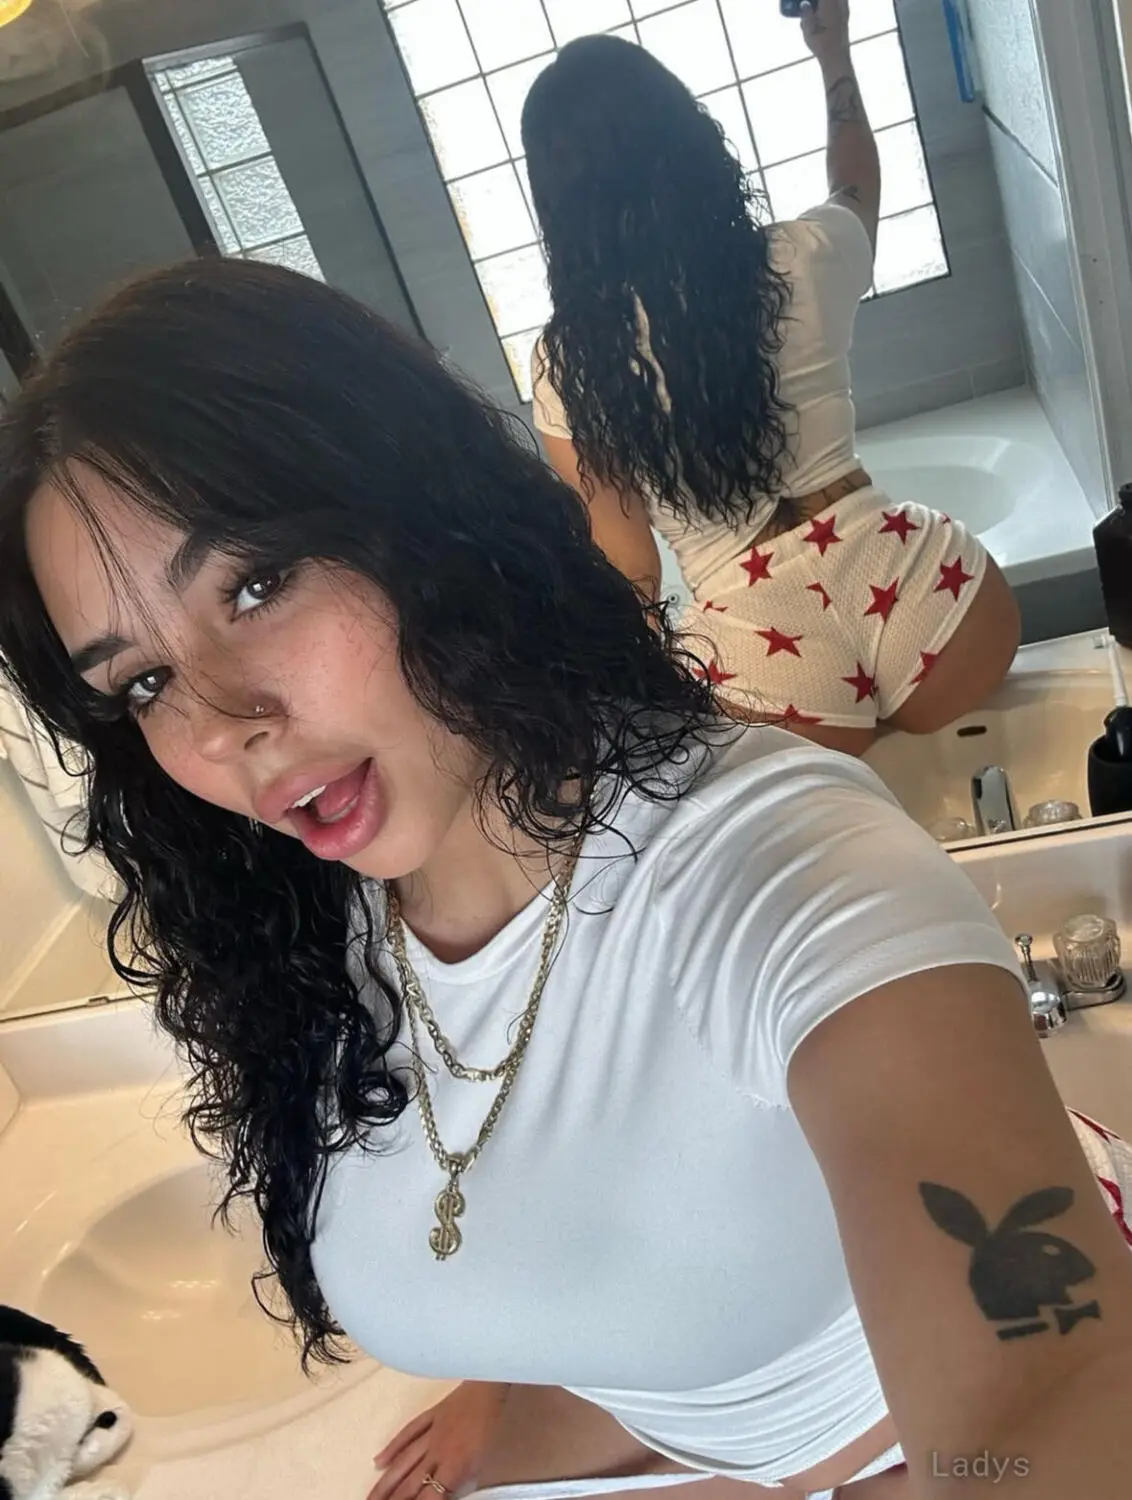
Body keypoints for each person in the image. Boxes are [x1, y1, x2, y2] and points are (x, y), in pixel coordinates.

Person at [1, 260, 1130, 1500]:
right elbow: (517, 1184)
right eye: (143, 682)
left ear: (417, 519)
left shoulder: (775, 861)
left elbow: (1046, 1390)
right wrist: (512, 1375)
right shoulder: (303, 933)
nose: (225, 729)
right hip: (671, 1423)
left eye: (255, 585)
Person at [522, 1, 1020, 759]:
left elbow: (632, 570)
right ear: (688, 140)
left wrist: (638, 713)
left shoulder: (568, 367)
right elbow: (855, 181)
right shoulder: (800, 256)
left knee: (823, 800)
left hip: (764, 666)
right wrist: (832, 50)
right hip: (930, 601)